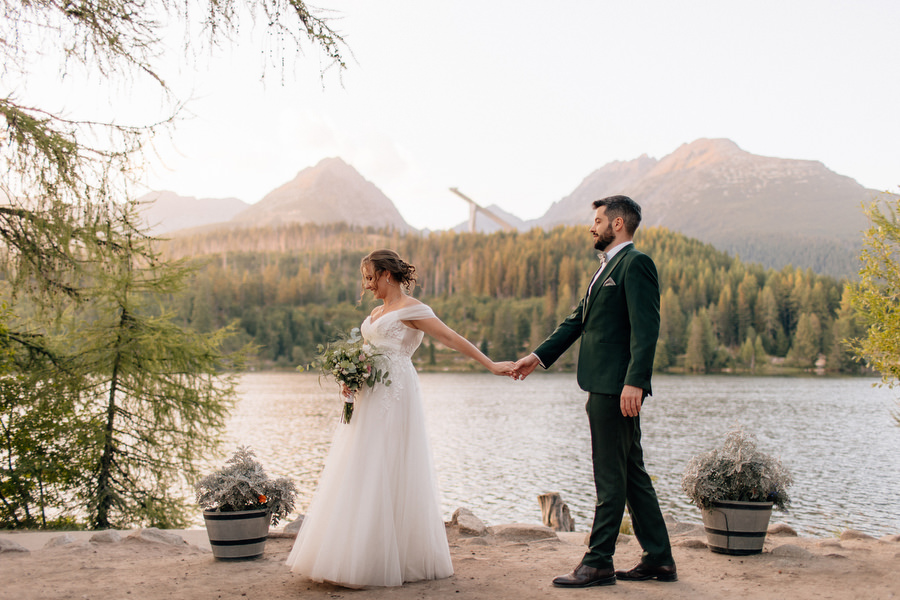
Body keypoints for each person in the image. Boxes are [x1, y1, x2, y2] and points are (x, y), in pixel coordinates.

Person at [286, 249, 516, 588]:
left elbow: (451, 338)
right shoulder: (378, 311)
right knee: (359, 463)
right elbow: (368, 351)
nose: (367, 286)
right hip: (368, 395)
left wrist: (492, 365)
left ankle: (385, 559)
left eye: (370, 277)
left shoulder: (414, 310)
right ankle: (350, 551)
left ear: (386, 275)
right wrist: (350, 378)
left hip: (395, 393)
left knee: (389, 462)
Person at [513, 195, 676, 588]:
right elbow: (577, 321)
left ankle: (599, 560)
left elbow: (646, 327)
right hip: (605, 386)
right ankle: (659, 559)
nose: (592, 226)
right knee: (632, 472)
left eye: (598, 220)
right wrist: (537, 357)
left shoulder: (636, 264)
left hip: (615, 389)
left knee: (610, 476)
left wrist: (634, 381)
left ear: (618, 224)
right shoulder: (606, 267)